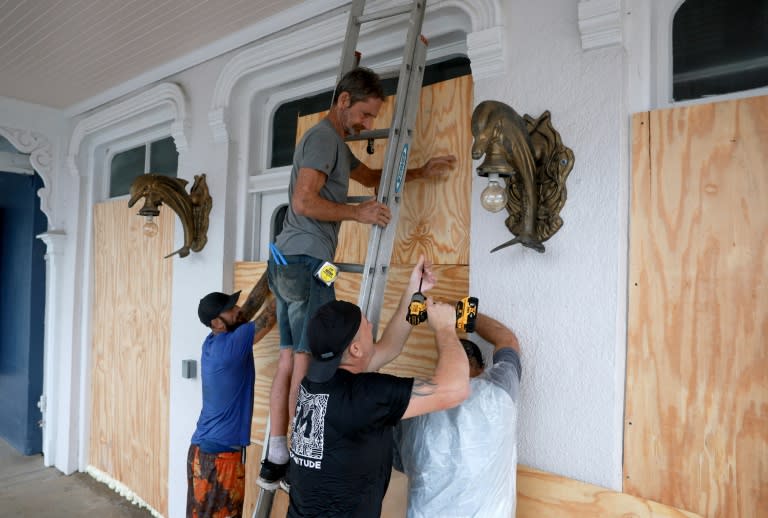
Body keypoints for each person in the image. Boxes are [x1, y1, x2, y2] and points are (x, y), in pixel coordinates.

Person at [260, 66, 457, 488]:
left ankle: (276, 455)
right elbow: (303, 201)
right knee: (308, 362)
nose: (369, 126)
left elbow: (368, 178)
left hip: (288, 263)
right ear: (344, 101)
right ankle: (300, 453)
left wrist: (422, 171)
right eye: (366, 115)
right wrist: (357, 213)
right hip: (308, 262)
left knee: (289, 358)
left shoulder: (333, 143)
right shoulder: (322, 139)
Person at [285, 255, 470, 517]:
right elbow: (455, 389)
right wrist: (445, 329)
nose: (371, 324)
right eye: (366, 325)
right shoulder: (365, 395)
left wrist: (413, 290)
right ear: (356, 349)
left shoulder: (316, 381)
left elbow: (389, 347)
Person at [392, 312, 522, 518]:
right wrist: (457, 310)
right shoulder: (500, 393)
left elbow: (400, 461)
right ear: (481, 367)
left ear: (443, 368)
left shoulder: (419, 406)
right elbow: (507, 339)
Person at [186, 274, 276, 518]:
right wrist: (298, 274)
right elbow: (270, 318)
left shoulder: (215, 341)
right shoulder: (231, 348)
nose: (237, 309)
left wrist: (271, 272)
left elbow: (249, 307)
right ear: (217, 322)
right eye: (230, 308)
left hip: (206, 453)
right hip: (219, 460)